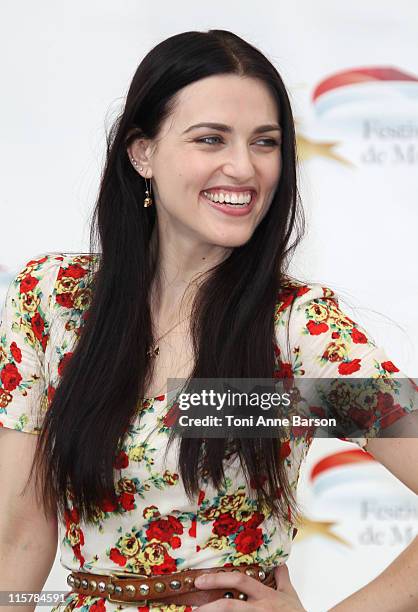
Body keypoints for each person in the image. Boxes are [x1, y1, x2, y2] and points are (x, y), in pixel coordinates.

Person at [0, 29, 417, 612]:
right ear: (141, 152)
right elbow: (19, 539)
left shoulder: (297, 328)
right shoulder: (53, 301)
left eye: (265, 142)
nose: (243, 167)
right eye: (211, 139)